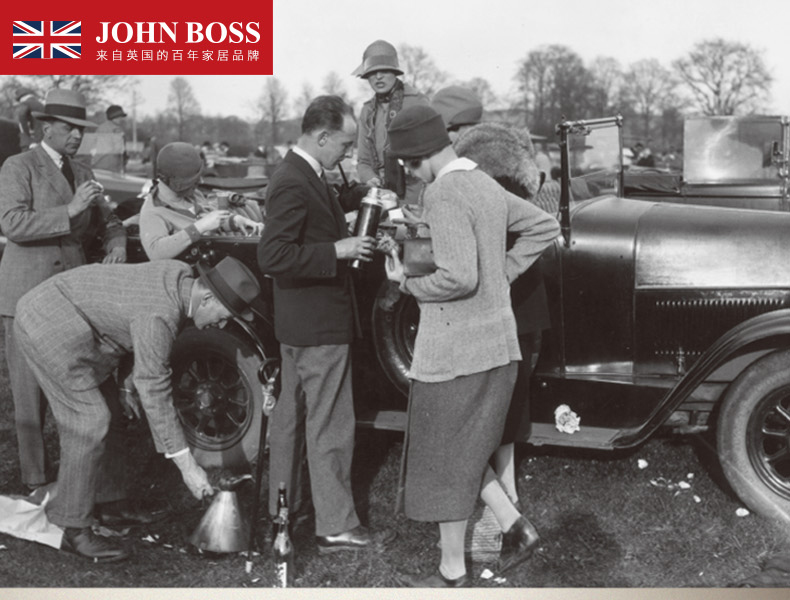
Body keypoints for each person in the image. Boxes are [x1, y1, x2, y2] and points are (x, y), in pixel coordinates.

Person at [383, 105, 560, 587]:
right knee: (461, 453)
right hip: (498, 349)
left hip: (453, 353)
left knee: (442, 458)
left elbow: (458, 277)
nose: (410, 173)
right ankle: (512, 525)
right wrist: (503, 273)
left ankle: (453, 572)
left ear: (419, 156)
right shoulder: (483, 182)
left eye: (409, 164)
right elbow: (544, 226)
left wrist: (406, 283)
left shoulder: (442, 192)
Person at [14, 256, 264, 562]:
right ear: (208, 297)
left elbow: (131, 321)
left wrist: (124, 387)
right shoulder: (160, 312)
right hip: (48, 324)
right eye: (224, 316)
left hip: (78, 322)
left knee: (111, 413)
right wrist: (188, 467)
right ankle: (72, 527)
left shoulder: (180, 279)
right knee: (90, 421)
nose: (221, 324)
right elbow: (154, 385)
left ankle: (111, 504)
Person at [258, 95, 391, 553]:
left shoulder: (302, 174)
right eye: (345, 145)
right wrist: (339, 250)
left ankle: (283, 512)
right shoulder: (295, 181)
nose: (348, 154)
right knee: (330, 426)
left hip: (299, 324)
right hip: (318, 327)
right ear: (321, 136)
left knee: (290, 423)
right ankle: (335, 524)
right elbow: (272, 256)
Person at [432, 87, 555, 554]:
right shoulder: (516, 159)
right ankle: (508, 497)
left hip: (498, 303)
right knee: (510, 403)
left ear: (457, 130)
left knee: (487, 407)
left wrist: (498, 273)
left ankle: (502, 510)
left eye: (445, 130)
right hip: (527, 303)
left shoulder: (476, 171)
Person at [0, 88, 127, 493]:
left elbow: (109, 222)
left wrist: (117, 244)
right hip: (25, 294)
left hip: (72, 300)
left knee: (89, 386)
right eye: (69, 128)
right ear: (46, 128)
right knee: (29, 399)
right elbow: (12, 223)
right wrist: (70, 210)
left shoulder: (84, 172)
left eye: (81, 129)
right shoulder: (18, 166)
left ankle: (100, 489)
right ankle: (36, 482)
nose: (76, 136)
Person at [139, 142, 263, 261]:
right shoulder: (153, 211)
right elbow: (155, 252)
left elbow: (210, 219)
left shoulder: (192, 194)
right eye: (194, 180)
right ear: (178, 183)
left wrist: (235, 221)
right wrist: (200, 226)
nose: (201, 182)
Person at [354, 39, 429, 205]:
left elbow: (435, 152)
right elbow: (363, 162)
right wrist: (370, 179)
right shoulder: (367, 111)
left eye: (384, 70)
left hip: (417, 196)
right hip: (383, 197)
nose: (378, 77)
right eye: (372, 72)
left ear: (395, 72)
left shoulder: (418, 102)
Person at [12, 87, 44, 152]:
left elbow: (22, 119)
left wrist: (26, 137)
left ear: (21, 98)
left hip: (35, 140)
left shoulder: (25, 103)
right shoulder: (40, 104)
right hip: (44, 136)